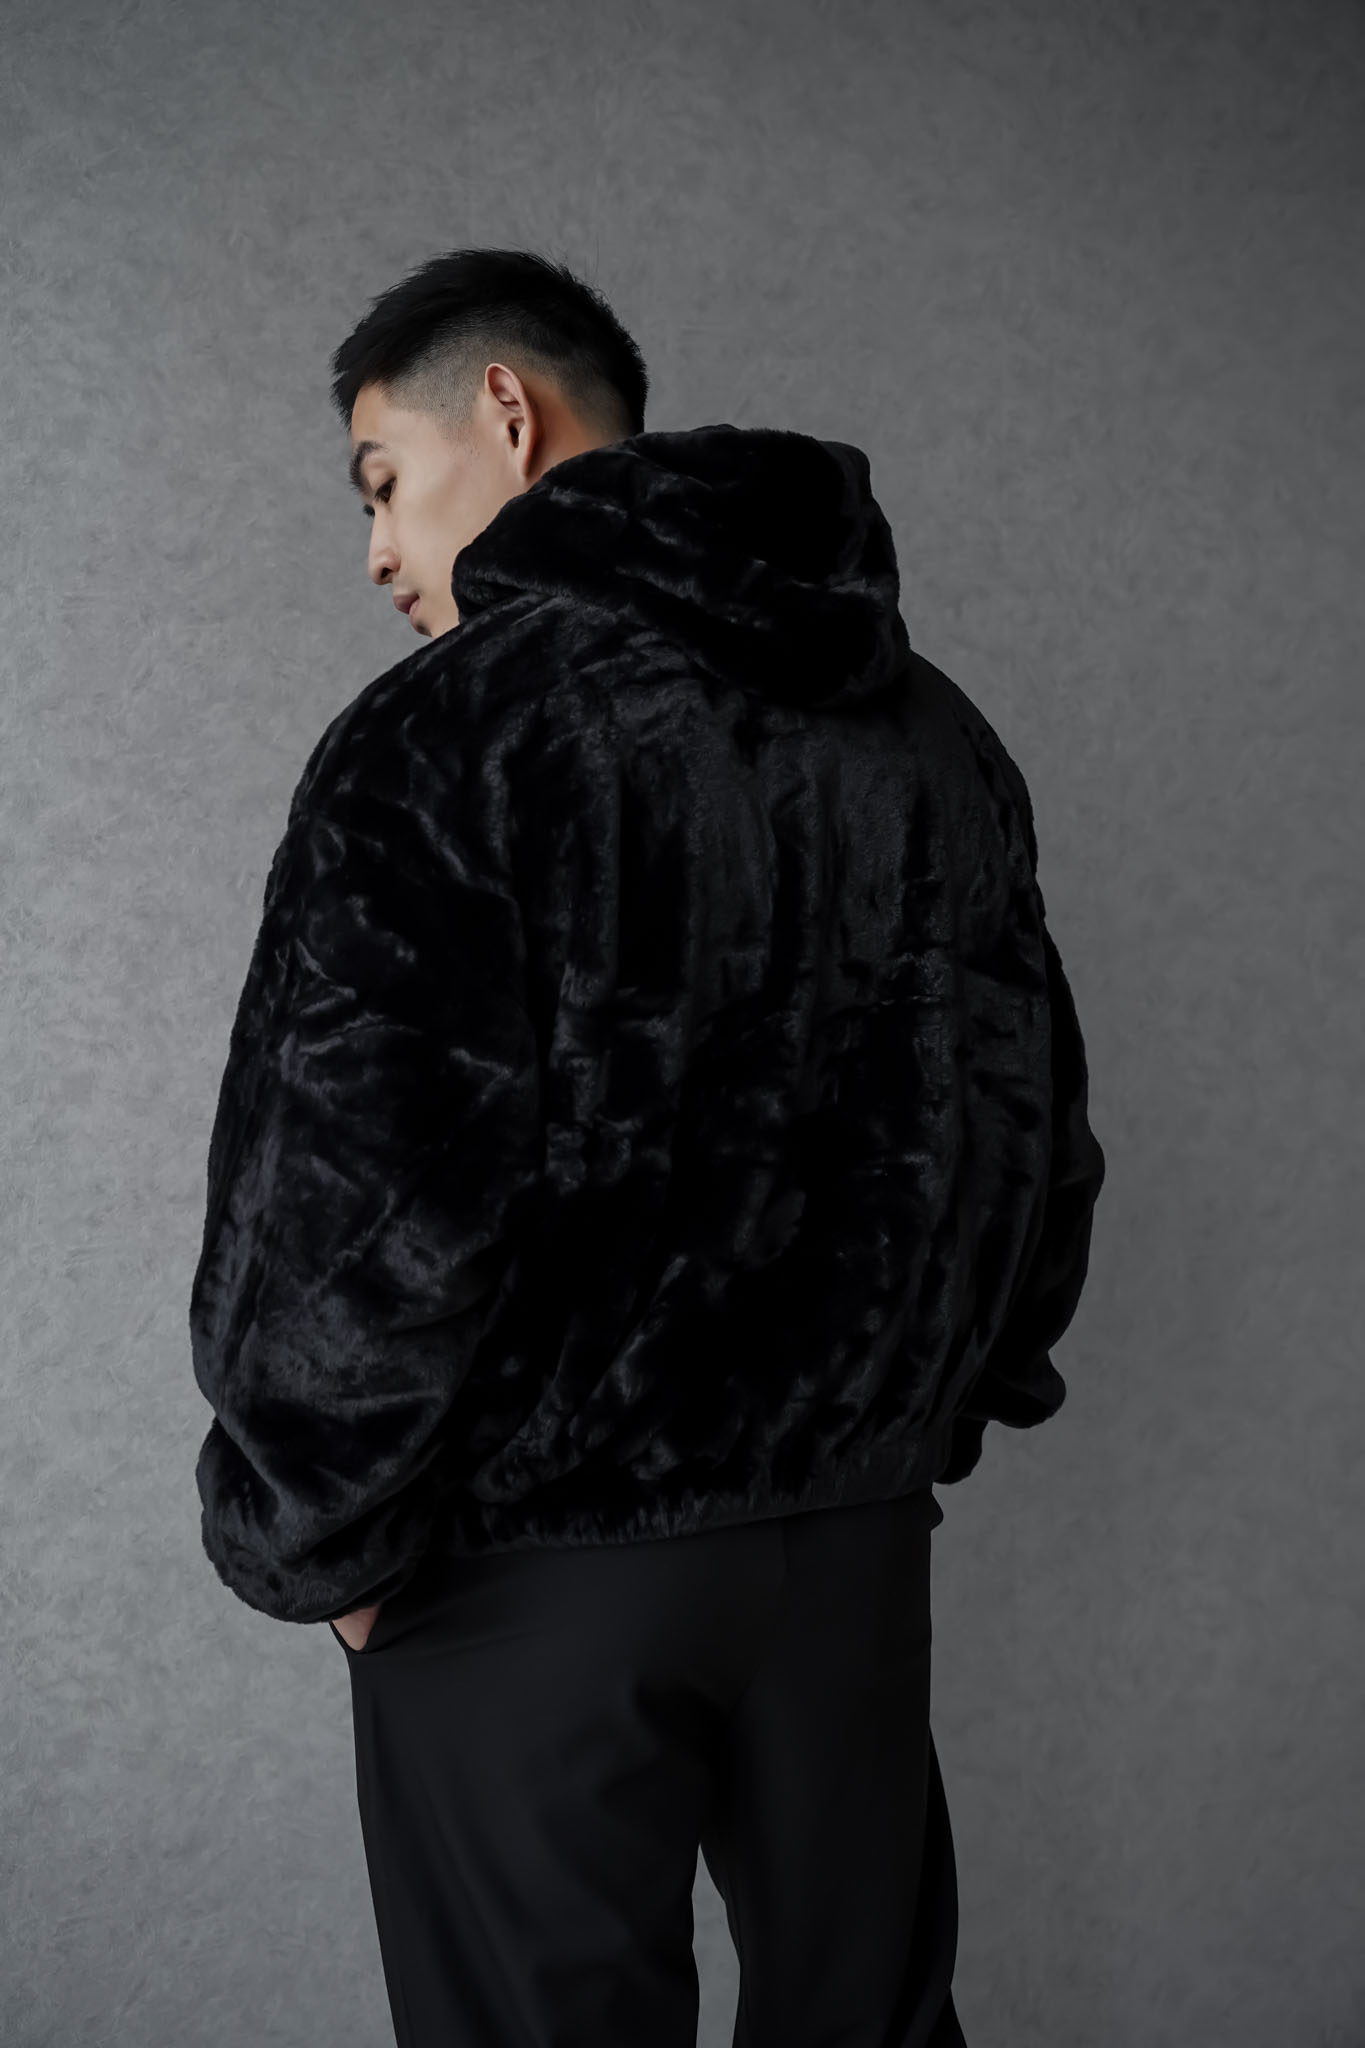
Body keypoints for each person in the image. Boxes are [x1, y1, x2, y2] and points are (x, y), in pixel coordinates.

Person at [188, 245, 1106, 2048]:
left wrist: (320, 1542)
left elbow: (352, 1201)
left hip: (528, 1569)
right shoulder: (933, 733)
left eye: (382, 482)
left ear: (505, 411)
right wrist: (912, 1420)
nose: (376, 550)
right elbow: (1029, 1130)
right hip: (848, 1550)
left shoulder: (450, 729)